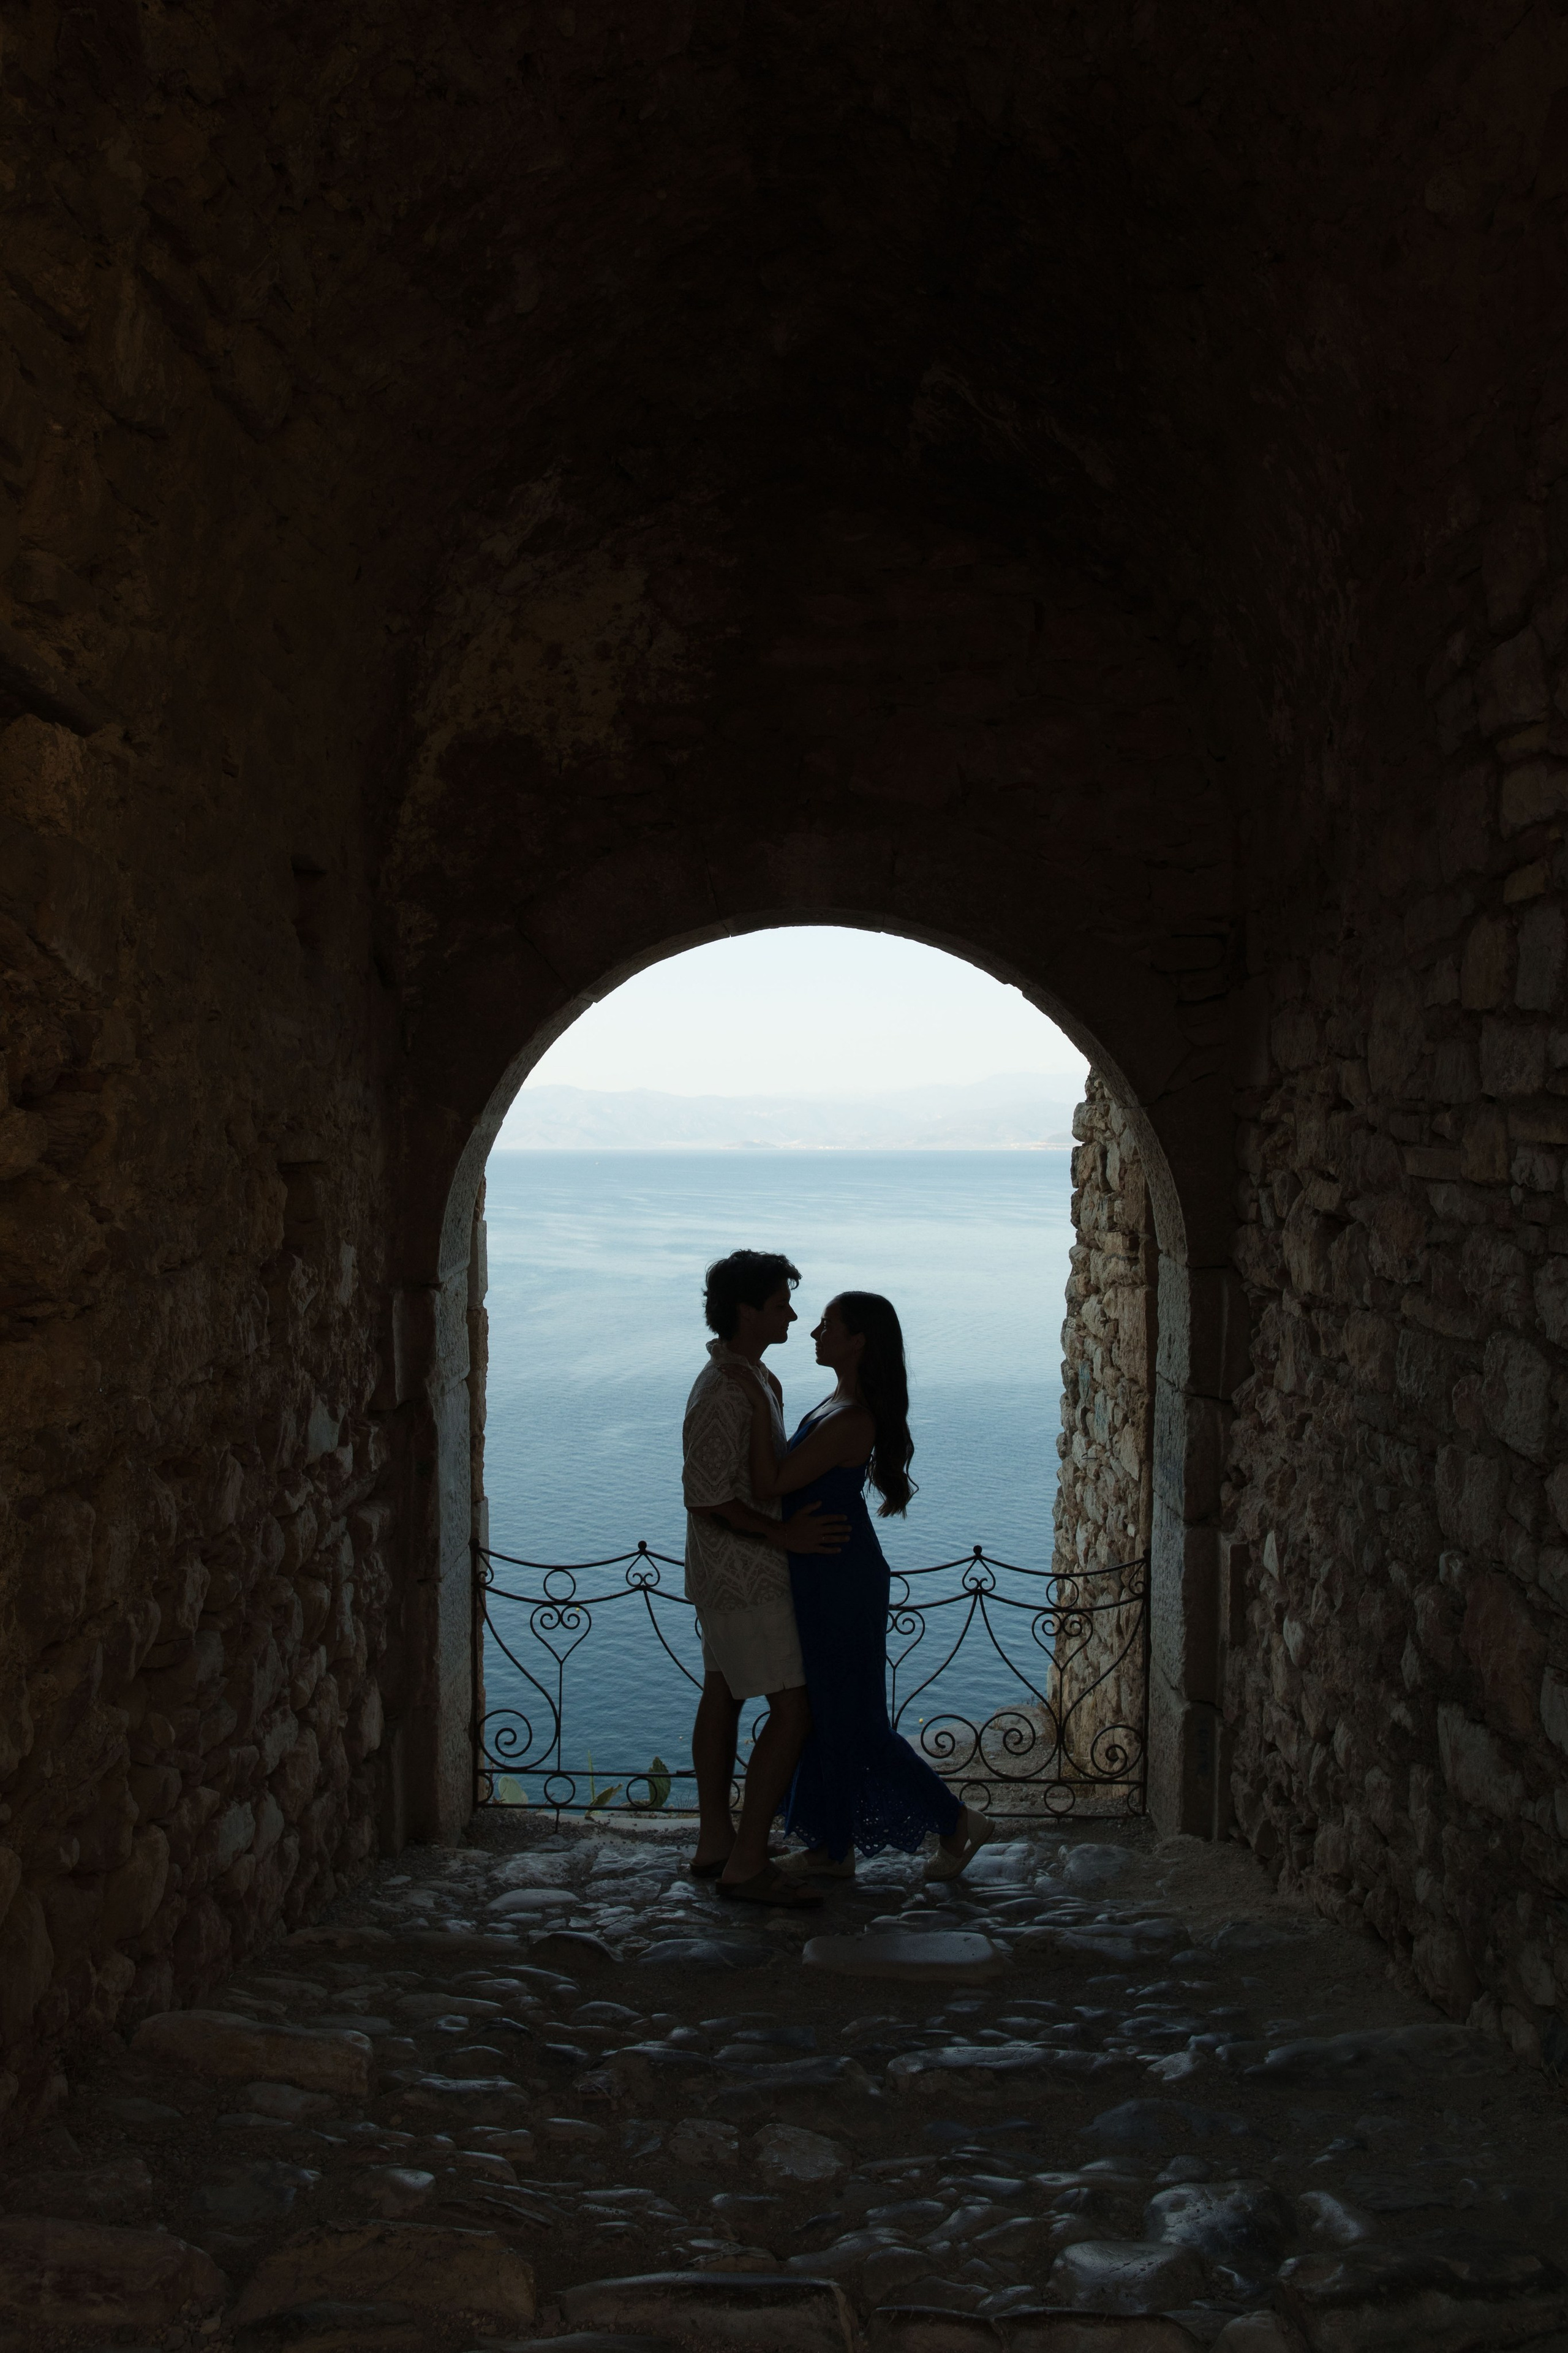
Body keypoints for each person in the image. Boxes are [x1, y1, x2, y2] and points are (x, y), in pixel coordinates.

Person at [725, 1291, 993, 1879]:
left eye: (828, 1325)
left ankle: (954, 1822)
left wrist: (752, 1394)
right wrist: (767, 1393)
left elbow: (771, 1481)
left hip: (841, 1576)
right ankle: (833, 1847)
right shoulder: (838, 1401)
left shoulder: (854, 1418)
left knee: (856, 1718)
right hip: (824, 1570)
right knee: (829, 1713)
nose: (815, 1331)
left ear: (858, 1341)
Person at [681, 1249, 850, 1906]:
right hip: (746, 1577)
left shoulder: (749, 1376)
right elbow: (705, 1494)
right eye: (781, 1302)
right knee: (793, 1710)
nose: (792, 1312)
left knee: (722, 1695)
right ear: (747, 1310)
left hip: (724, 1574)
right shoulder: (727, 1389)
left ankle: (717, 1839)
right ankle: (747, 1862)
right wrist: (781, 1535)